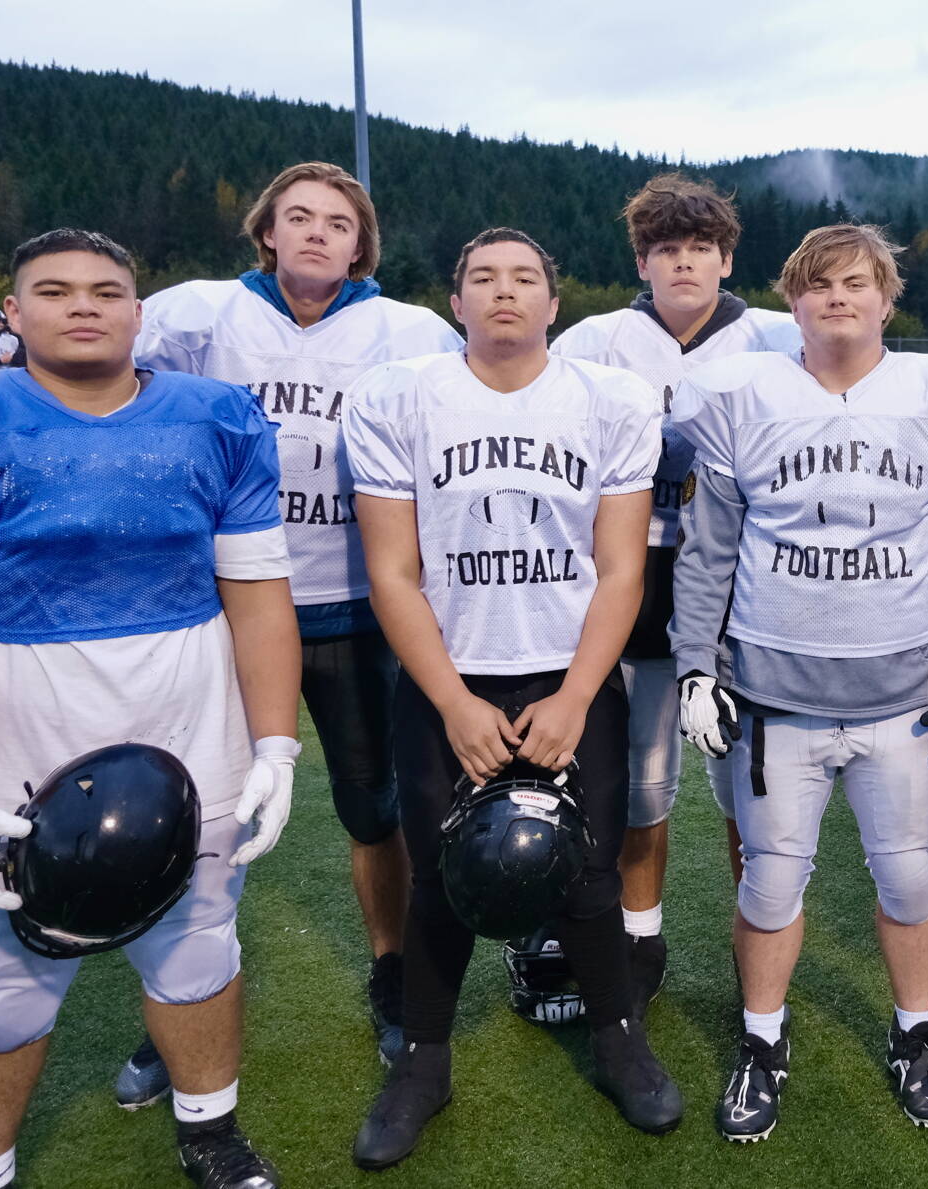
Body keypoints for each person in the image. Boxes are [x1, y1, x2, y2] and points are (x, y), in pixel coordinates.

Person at [0, 228, 300, 1189]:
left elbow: (259, 599)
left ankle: (209, 1131)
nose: (85, 305)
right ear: (11, 316)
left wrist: (276, 743)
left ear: (140, 314)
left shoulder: (218, 416)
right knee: (0, 994)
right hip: (11, 728)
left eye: (107, 289)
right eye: (54, 291)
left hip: (190, 724)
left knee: (198, 950)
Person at [343, 227, 682, 1169]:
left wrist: (577, 696)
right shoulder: (400, 397)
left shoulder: (608, 399)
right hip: (447, 675)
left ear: (552, 302)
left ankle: (618, 1037)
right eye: (483, 277)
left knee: (587, 870)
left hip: (567, 674)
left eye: (525, 277)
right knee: (442, 871)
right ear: (455, 303)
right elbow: (392, 569)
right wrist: (451, 701)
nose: (504, 292)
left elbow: (621, 568)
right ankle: (424, 1059)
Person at [669, 223, 928, 1141]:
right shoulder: (747, 399)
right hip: (775, 699)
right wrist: (696, 665)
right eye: (819, 285)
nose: (838, 299)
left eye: (856, 284)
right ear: (793, 299)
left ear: (887, 297)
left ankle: (914, 1033)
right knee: (771, 884)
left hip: (898, 698)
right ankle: (762, 1040)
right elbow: (709, 554)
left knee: (907, 877)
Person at [132, 162, 463, 1090]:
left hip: (358, 609)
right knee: (196, 807)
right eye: (298, 218)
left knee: (376, 807)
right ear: (266, 232)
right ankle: (179, 993)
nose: (318, 233)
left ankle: (392, 969)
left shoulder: (408, 332)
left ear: (363, 244)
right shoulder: (199, 316)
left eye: (339, 222)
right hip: (228, 610)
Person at [545, 172, 800, 1008]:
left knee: (747, 787)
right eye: (666, 250)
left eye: (701, 248)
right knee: (643, 781)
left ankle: (757, 937)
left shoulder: (773, 337)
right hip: (626, 573)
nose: (684, 263)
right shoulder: (593, 341)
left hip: (738, 577)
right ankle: (638, 939)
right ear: (643, 261)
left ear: (727, 260)